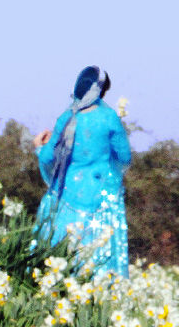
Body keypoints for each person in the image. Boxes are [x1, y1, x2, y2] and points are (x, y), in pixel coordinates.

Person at [33, 66, 131, 277]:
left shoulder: (66, 118)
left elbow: (48, 158)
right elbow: (124, 158)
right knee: (98, 257)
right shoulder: (109, 118)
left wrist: (38, 146)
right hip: (102, 198)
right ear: (101, 91)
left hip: (66, 196)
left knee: (62, 259)